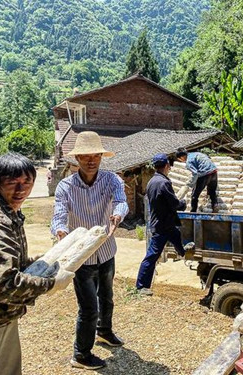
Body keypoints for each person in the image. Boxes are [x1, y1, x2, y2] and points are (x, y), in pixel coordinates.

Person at [0, 153, 73, 375]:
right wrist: (51, 284)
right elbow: (6, 284)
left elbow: (6, 262)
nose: (21, 190)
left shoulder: (5, 211)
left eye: (27, 182)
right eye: (12, 183)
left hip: (0, 316)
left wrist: (39, 262)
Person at [51, 131, 128, 370]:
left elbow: (121, 200)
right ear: (77, 159)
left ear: (101, 157)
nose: (91, 160)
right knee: (88, 307)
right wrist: (61, 230)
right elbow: (59, 213)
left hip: (106, 250)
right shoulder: (66, 186)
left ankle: (104, 331)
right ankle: (81, 355)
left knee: (107, 297)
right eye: (85, 156)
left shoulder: (112, 180)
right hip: (81, 256)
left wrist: (118, 213)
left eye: (96, 155)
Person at [136, 153, 194, 296]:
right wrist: (184, 204)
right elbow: (173, 203)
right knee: (152, 255)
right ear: (167, 166)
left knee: (176, 234)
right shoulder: (164, 183)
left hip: (163, 222)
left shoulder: (151, 181)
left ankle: (182, 252)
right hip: (162, 224)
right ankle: (141, 286)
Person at [175, 148, 218, 212]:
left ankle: (193, 211)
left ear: (182, 157)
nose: (181, 161)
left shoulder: (189, 161)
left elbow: (195, 174)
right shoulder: (197, 154)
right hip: (214, 171)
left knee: (194, 195)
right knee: (212, 191)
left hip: (204, 174)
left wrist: (189, 184)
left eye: (180, 159)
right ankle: (215, 206)